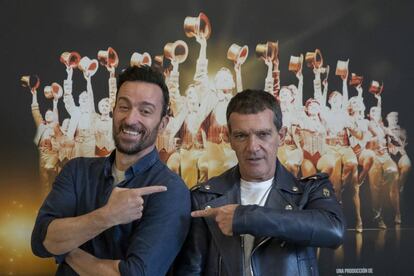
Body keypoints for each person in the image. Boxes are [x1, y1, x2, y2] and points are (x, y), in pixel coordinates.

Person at [31, 65, 191, 275]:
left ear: (163, 124)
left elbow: (135, 273)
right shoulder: (76, 171)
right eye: (124, 107)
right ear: (114, 112)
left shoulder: (170, 190)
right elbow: (41, 241)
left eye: (145, 111)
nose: (131, 119)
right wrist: (107, 216)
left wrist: (68, 251)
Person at [175, 89, 345, 276]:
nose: (252, 147)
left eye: (263, 134)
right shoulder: (205, 197)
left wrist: (244, 217)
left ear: (281, 136)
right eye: (241, 136)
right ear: (229, 139)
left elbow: (334, 231)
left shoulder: (310, 190)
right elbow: (190, 270)